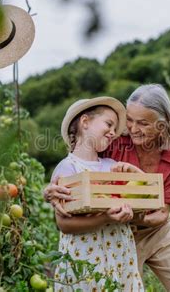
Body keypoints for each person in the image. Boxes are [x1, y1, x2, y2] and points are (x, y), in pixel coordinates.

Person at [45, 84, 170, 292]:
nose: (132, 129)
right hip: (116, 234)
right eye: (130, 120)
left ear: (161, 125)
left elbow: (161, 213)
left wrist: (132, 214)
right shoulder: (114, 141)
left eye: (142, 123)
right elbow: (79, 161)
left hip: (156, 229)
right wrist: (51, 190)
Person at [51, 96, 144, 292]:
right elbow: (64, 224)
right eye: (109, 124)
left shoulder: (113, 166)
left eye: (114, 129)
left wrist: (129, 211)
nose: (112, 133)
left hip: (119, 254)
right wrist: (105, 218)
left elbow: (146, 195)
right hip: (86, 258)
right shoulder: (68, 168)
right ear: (85, 122)